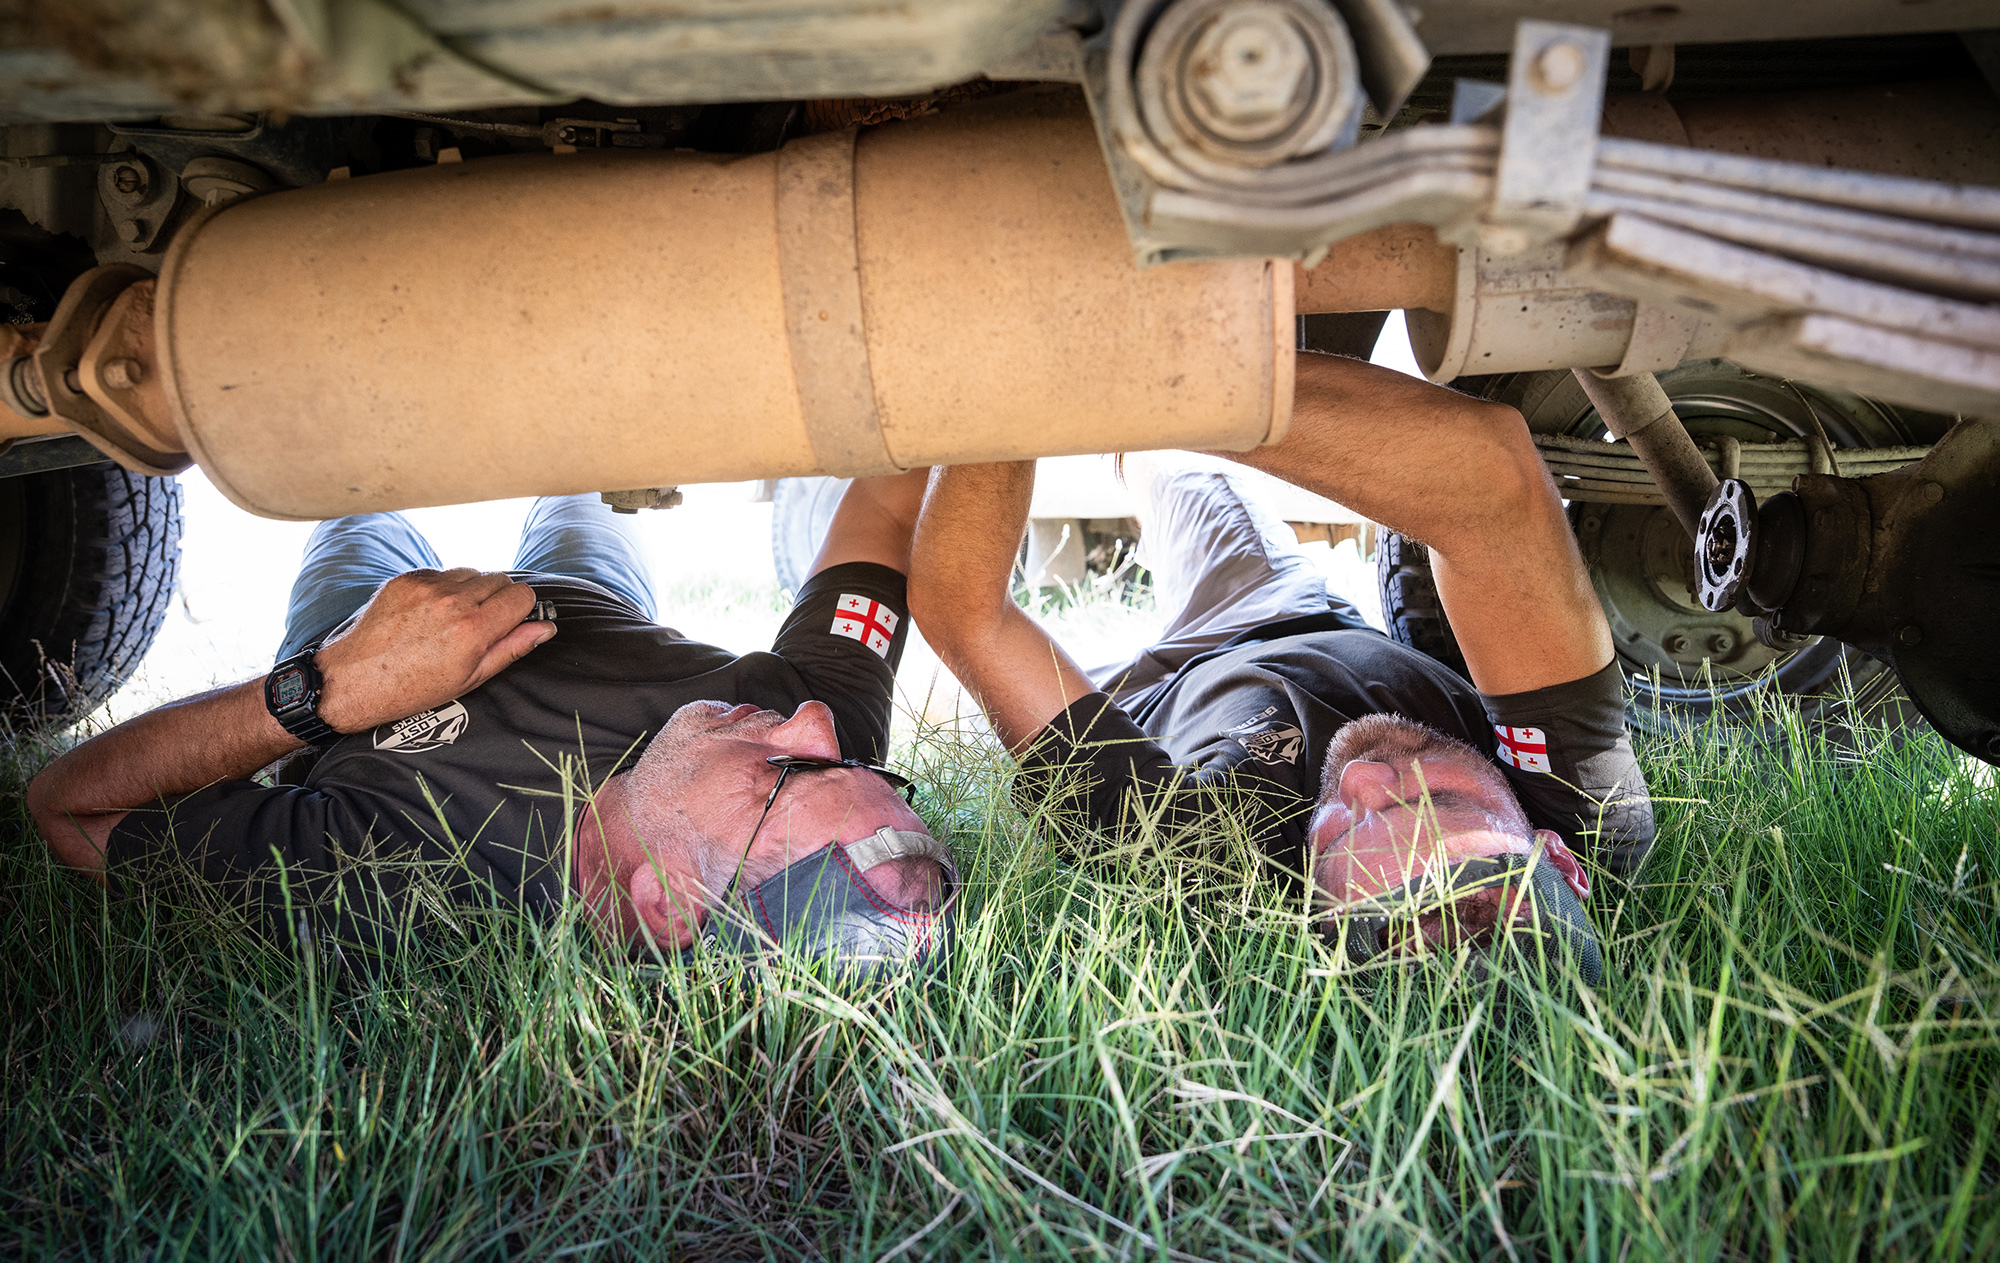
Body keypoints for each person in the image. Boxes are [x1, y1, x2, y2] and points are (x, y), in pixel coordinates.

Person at [907, 354, 1655, 981]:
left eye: (1337, 837)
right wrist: (1105, 363)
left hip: (1128, 705)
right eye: (1435, 800)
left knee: (943, 699)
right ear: (1558, 858)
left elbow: (967, 613)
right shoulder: (1580, 811)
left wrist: (1009, 369)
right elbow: (1490, 479)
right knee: (1174, 464)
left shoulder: (1201, 871)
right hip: (1270, 611)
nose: (1362, 779)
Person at [29, 473, 954, 970]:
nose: (814, 723)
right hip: (586, 591)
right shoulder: (814, 717)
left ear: (668, 902)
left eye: (793, 773)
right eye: (856, 764)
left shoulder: (393, 888)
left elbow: (68, 809)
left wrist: (327, 687)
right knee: (593, 470)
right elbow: (890, 491)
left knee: (352, 491)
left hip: (355, 627)